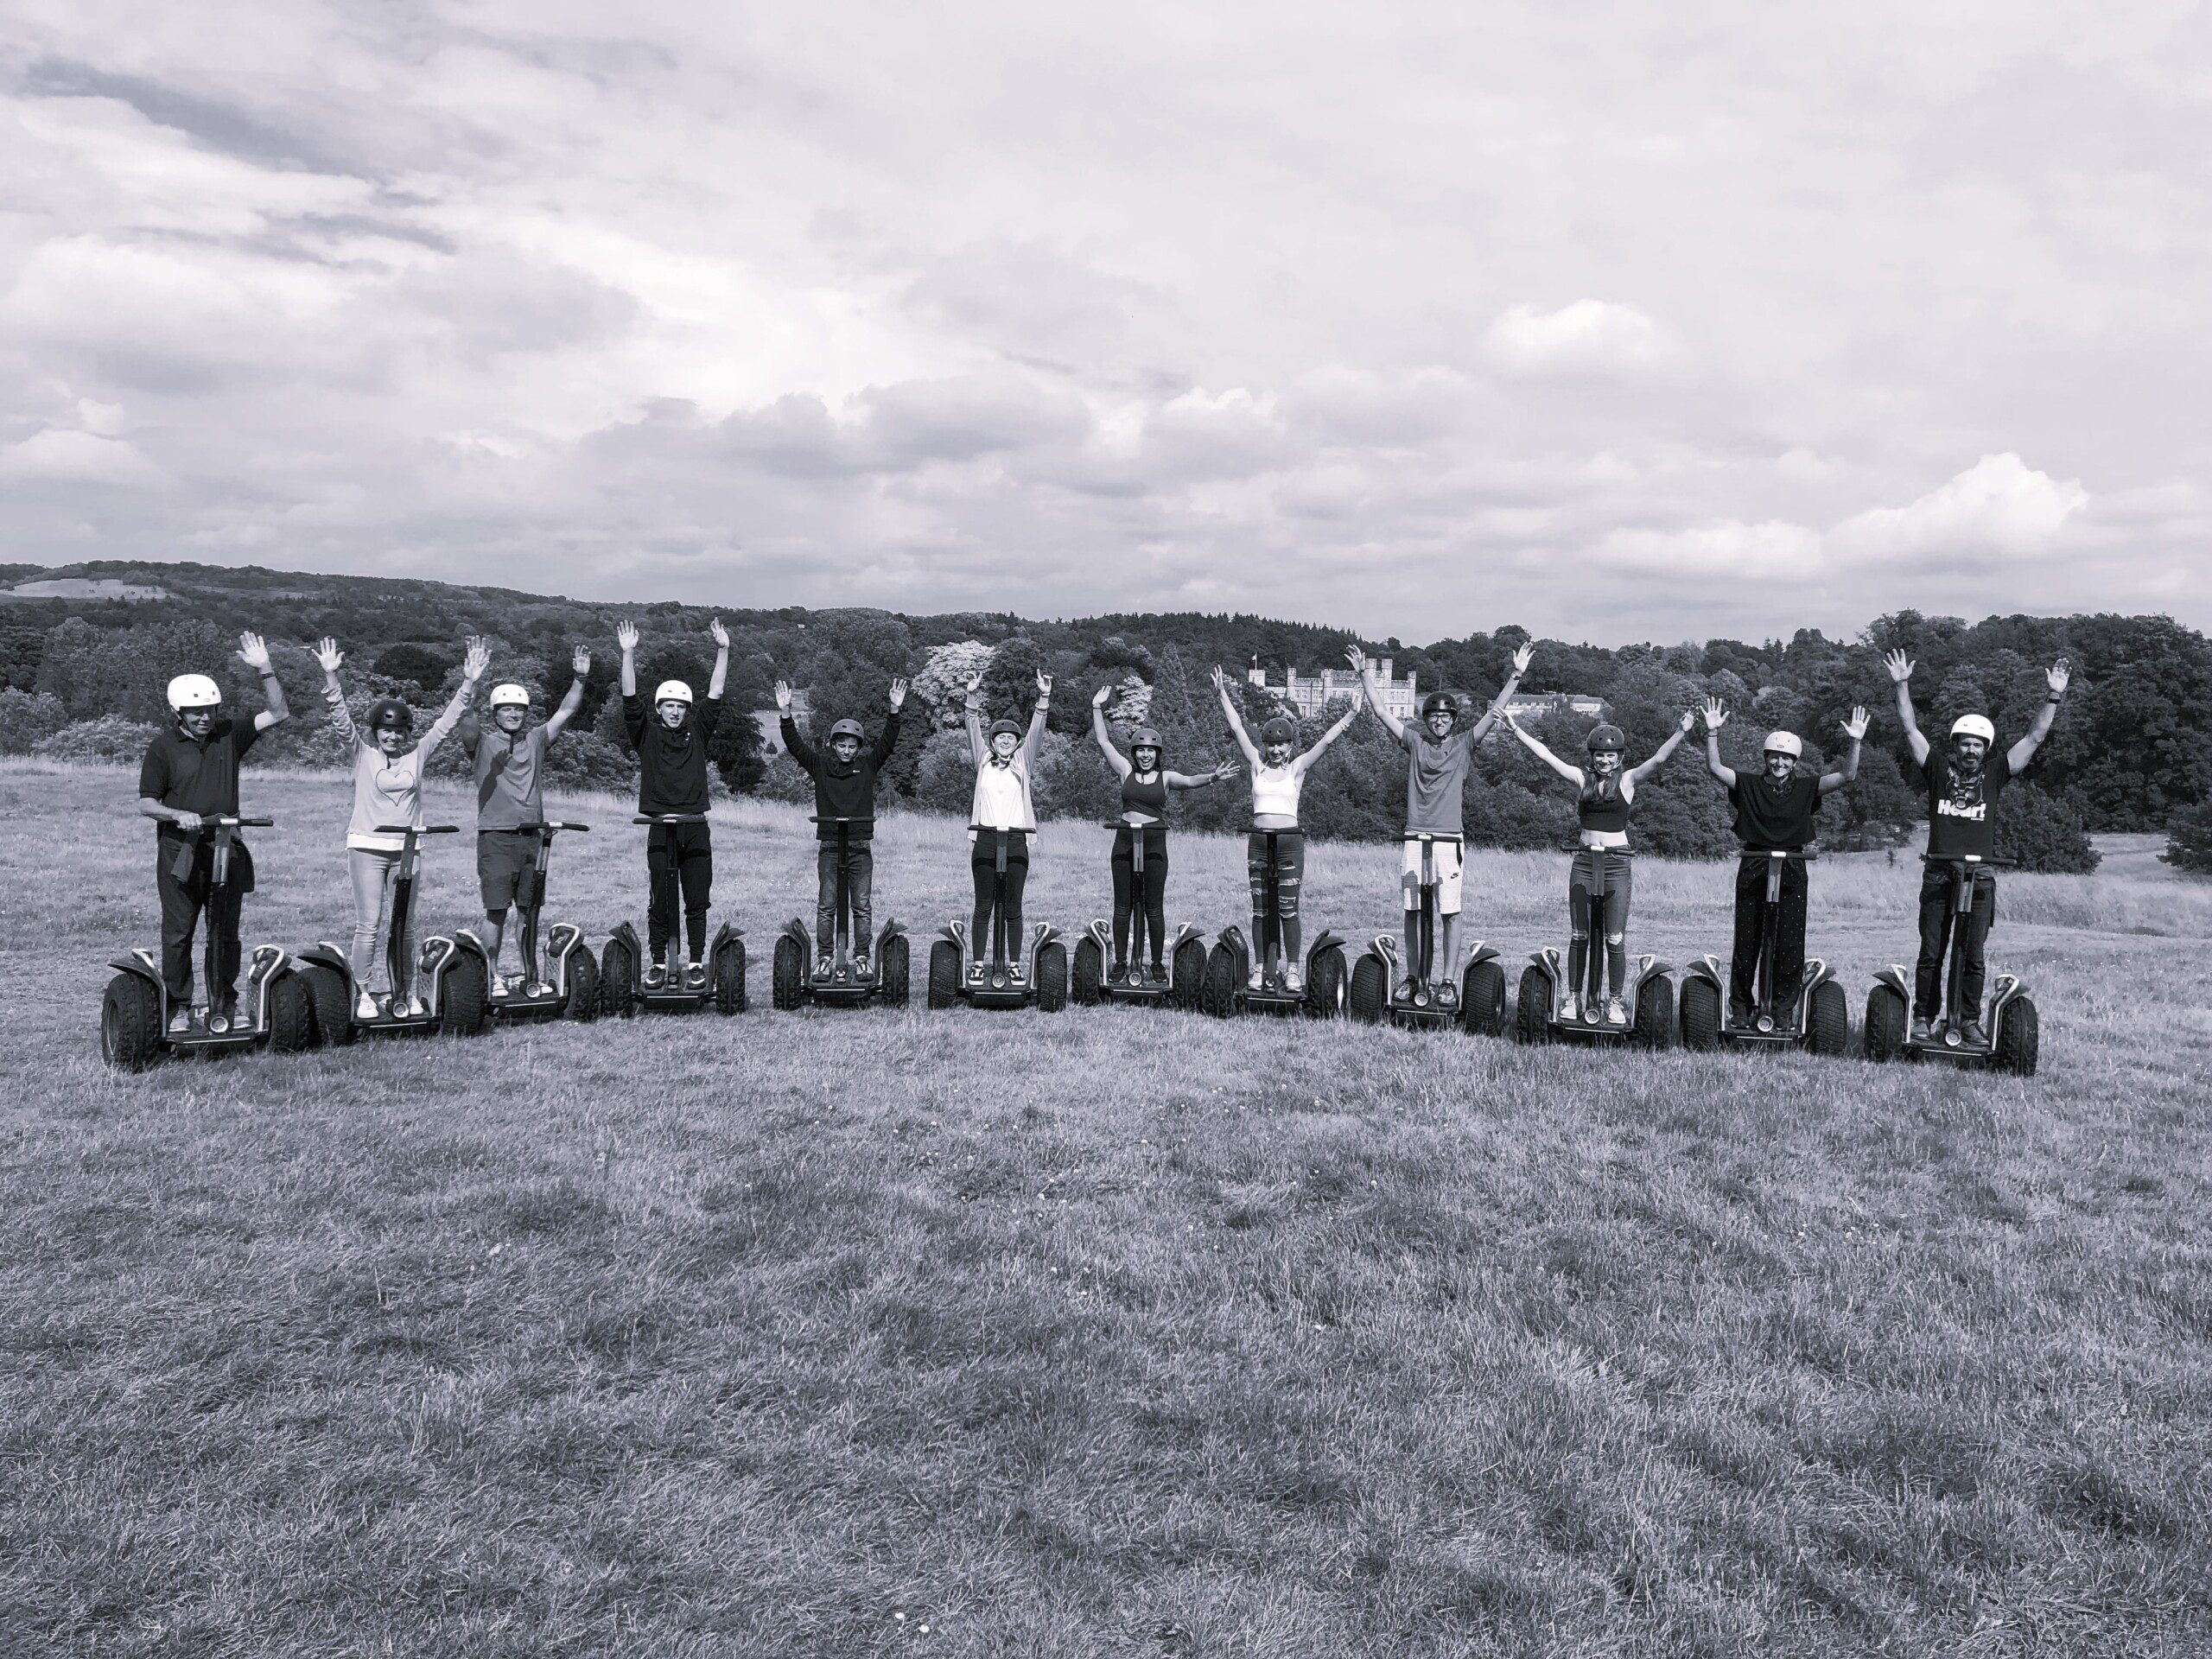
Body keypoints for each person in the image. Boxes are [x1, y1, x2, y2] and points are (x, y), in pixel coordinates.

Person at [1886, 648, 2071, 1043]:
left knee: (1972, 956)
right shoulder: (1936, 769)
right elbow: (1909, 730)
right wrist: (1902, 685)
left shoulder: (1997, 773)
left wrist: (2053, 696)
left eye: (1977, 745)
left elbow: (2035, 737)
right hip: (1939, 873)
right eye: (1965, 744)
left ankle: (1967, 1022)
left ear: (1986, 749)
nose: (1971, 751)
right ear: (1955, 746)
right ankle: (1923, 1018)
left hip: (1980, 876)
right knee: (1932, 952)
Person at [317, 636, 489, 1019]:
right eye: (385, 730)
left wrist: (469, 683)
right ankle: (362, 993)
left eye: (398, 732)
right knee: (371, 924)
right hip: (366, 848)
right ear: (375, 731)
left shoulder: (418, 753)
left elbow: (446, 724)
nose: (391, 737)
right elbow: (340, 721)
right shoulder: (362, 754)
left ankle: (404, 990)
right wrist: (331, 678)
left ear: (407, 734)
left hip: (408, 851)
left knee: (406, 927)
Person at [1348, 641, 1533, 992]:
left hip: (1449, 838)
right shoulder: (1415, 743)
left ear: (1453, 720)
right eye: (1434, 716)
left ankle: (1447, 981)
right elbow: (1382, 711)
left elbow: (1494, 713)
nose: (1440, 721)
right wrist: (1363, 674)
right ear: (1426, 720)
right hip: (1415, 836)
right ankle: (1413, 976)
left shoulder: (1464, 744)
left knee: (1449, 911)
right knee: (1413, 911)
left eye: (1446, 716)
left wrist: (1517, 675)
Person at [1502, 705, 1695, 1027]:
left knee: (1614, 937)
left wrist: (1681, 731)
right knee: (1579, 934)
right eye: (1599, 755)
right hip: (1584, 863)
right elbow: (1547, 757)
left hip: (1617, 863)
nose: (1605, 760)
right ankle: (1574, 997)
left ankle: (1615, 1002)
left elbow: (1658, 760)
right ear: (1592, 756)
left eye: (1611, 755)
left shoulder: (1629, 781)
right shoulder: (1582, 779)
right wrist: (1516, 730)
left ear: (1619, 757)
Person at [137, 633, 291, 1032]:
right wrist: (177, 814)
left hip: (226, 846)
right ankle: (179, 1007)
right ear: (179, 712)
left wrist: (264, 669)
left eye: (210, 709)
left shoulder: (229, 735)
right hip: (181, 849)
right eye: (196, 712)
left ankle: (223, 1002)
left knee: (225, 932)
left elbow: (279, 713)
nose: (205, 717)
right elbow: (146, 803)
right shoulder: (162, 748)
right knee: (179, 932)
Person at [1698, 698, 1869, 1024]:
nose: (1779, 762)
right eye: (1774, 756)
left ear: (1795, 762)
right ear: (1766, 758)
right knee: (1748, 938)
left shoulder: (1807, 789)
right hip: (1754, 860)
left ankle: (1782, 1008)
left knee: (1790, 940)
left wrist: (1855, 741)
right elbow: (1716, 770)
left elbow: (1847, 775)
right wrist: (1712, 734)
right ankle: (1740, 1008)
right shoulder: (1748, 784)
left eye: (1786, 758)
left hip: (1792, 862)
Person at [1211, 665, 1362, 994]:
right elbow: (1237, 728)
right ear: (1265, 746)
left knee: (1288, 909)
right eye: (1271, 745)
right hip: (1258, 841)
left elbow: (1325, 741)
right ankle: (1261, 969)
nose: (1276, 750)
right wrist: (1222, 693)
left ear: (1291, 746)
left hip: (1290, 844)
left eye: (1282, 745)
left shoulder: (1297, 768)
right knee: (1261, 909)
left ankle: (1292, 971)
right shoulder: (1256, 765)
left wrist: (1350, 715)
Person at [455, 647, 589, 996]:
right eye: (506, 709)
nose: (513, 714)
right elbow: (465, 722)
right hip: (496, 838)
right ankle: (493, 976)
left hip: (533, 838)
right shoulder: (482, 744)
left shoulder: (536, 740)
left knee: (529, 913)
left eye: (518, 709)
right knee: (496, 912)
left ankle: (530, 974)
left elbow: (567, 711)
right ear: (495, 713)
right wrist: (469, 684)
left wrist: (580, 678)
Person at [1090, 683, 1237, 984]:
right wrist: (1097, 708)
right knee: (1123, 906)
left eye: (1150, 751)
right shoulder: (1124, 771)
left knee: (1153, 907)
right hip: (1125, 840)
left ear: (1158, 754)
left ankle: (1156, 963)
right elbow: (1104, 741)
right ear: (1134, 752)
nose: (1145, 755)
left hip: (1155, 841)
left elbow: (1190, 780)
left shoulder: (1166, 777)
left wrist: (1213, 777)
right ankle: (1120, 961)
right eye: (1141, 750)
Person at [620, 617, 730, 989]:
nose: (675, 711)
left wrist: (723, 650)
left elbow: (715, 695)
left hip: (695, 827)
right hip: (660, 826)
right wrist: (628, 654)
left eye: (681, 706)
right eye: (668, 705)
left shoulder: (697, 733)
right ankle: (658, 962)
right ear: (659, 708)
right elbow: (630, 701)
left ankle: (696, 962)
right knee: (660, 902)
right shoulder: (645, 736)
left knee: (696, 901)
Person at [777, 675, 909, 977]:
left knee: (861, 906)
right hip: (831, 846)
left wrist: (894, 710)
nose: (847, 750)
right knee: (827, 905)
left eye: (852, 746)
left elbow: (887, 744)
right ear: (833, 744)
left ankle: (862, 956)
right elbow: (795, 746)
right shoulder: (821, 766)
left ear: (858, 747)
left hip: (859, 846)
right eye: (842, 744)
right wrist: (785, 714)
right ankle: (825, 957)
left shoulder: (867, 766)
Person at [961, 668, 1051, 983]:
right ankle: (978, 963)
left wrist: (1043, 699)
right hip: (985, 839)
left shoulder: (1024, 762)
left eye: (1010, 738)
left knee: (1013, 906)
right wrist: (971, 696)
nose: (1005, 742)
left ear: (1016, 743)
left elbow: (1037, 732)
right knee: (983, 905)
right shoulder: (983, 761)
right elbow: (972, 728)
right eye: (1000, 738)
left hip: (1016, 841)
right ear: (993, 741)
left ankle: (1013, 963)